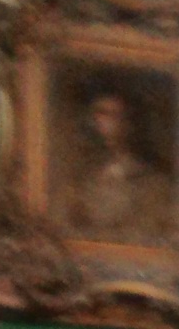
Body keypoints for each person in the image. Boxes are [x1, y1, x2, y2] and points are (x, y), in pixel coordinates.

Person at [67, 80, 165, 243]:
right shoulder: (83, 173)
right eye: (100, 114)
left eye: (114, 115)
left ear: (130, 122)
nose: (103, 123)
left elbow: (147, 232)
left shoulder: (151, 180)